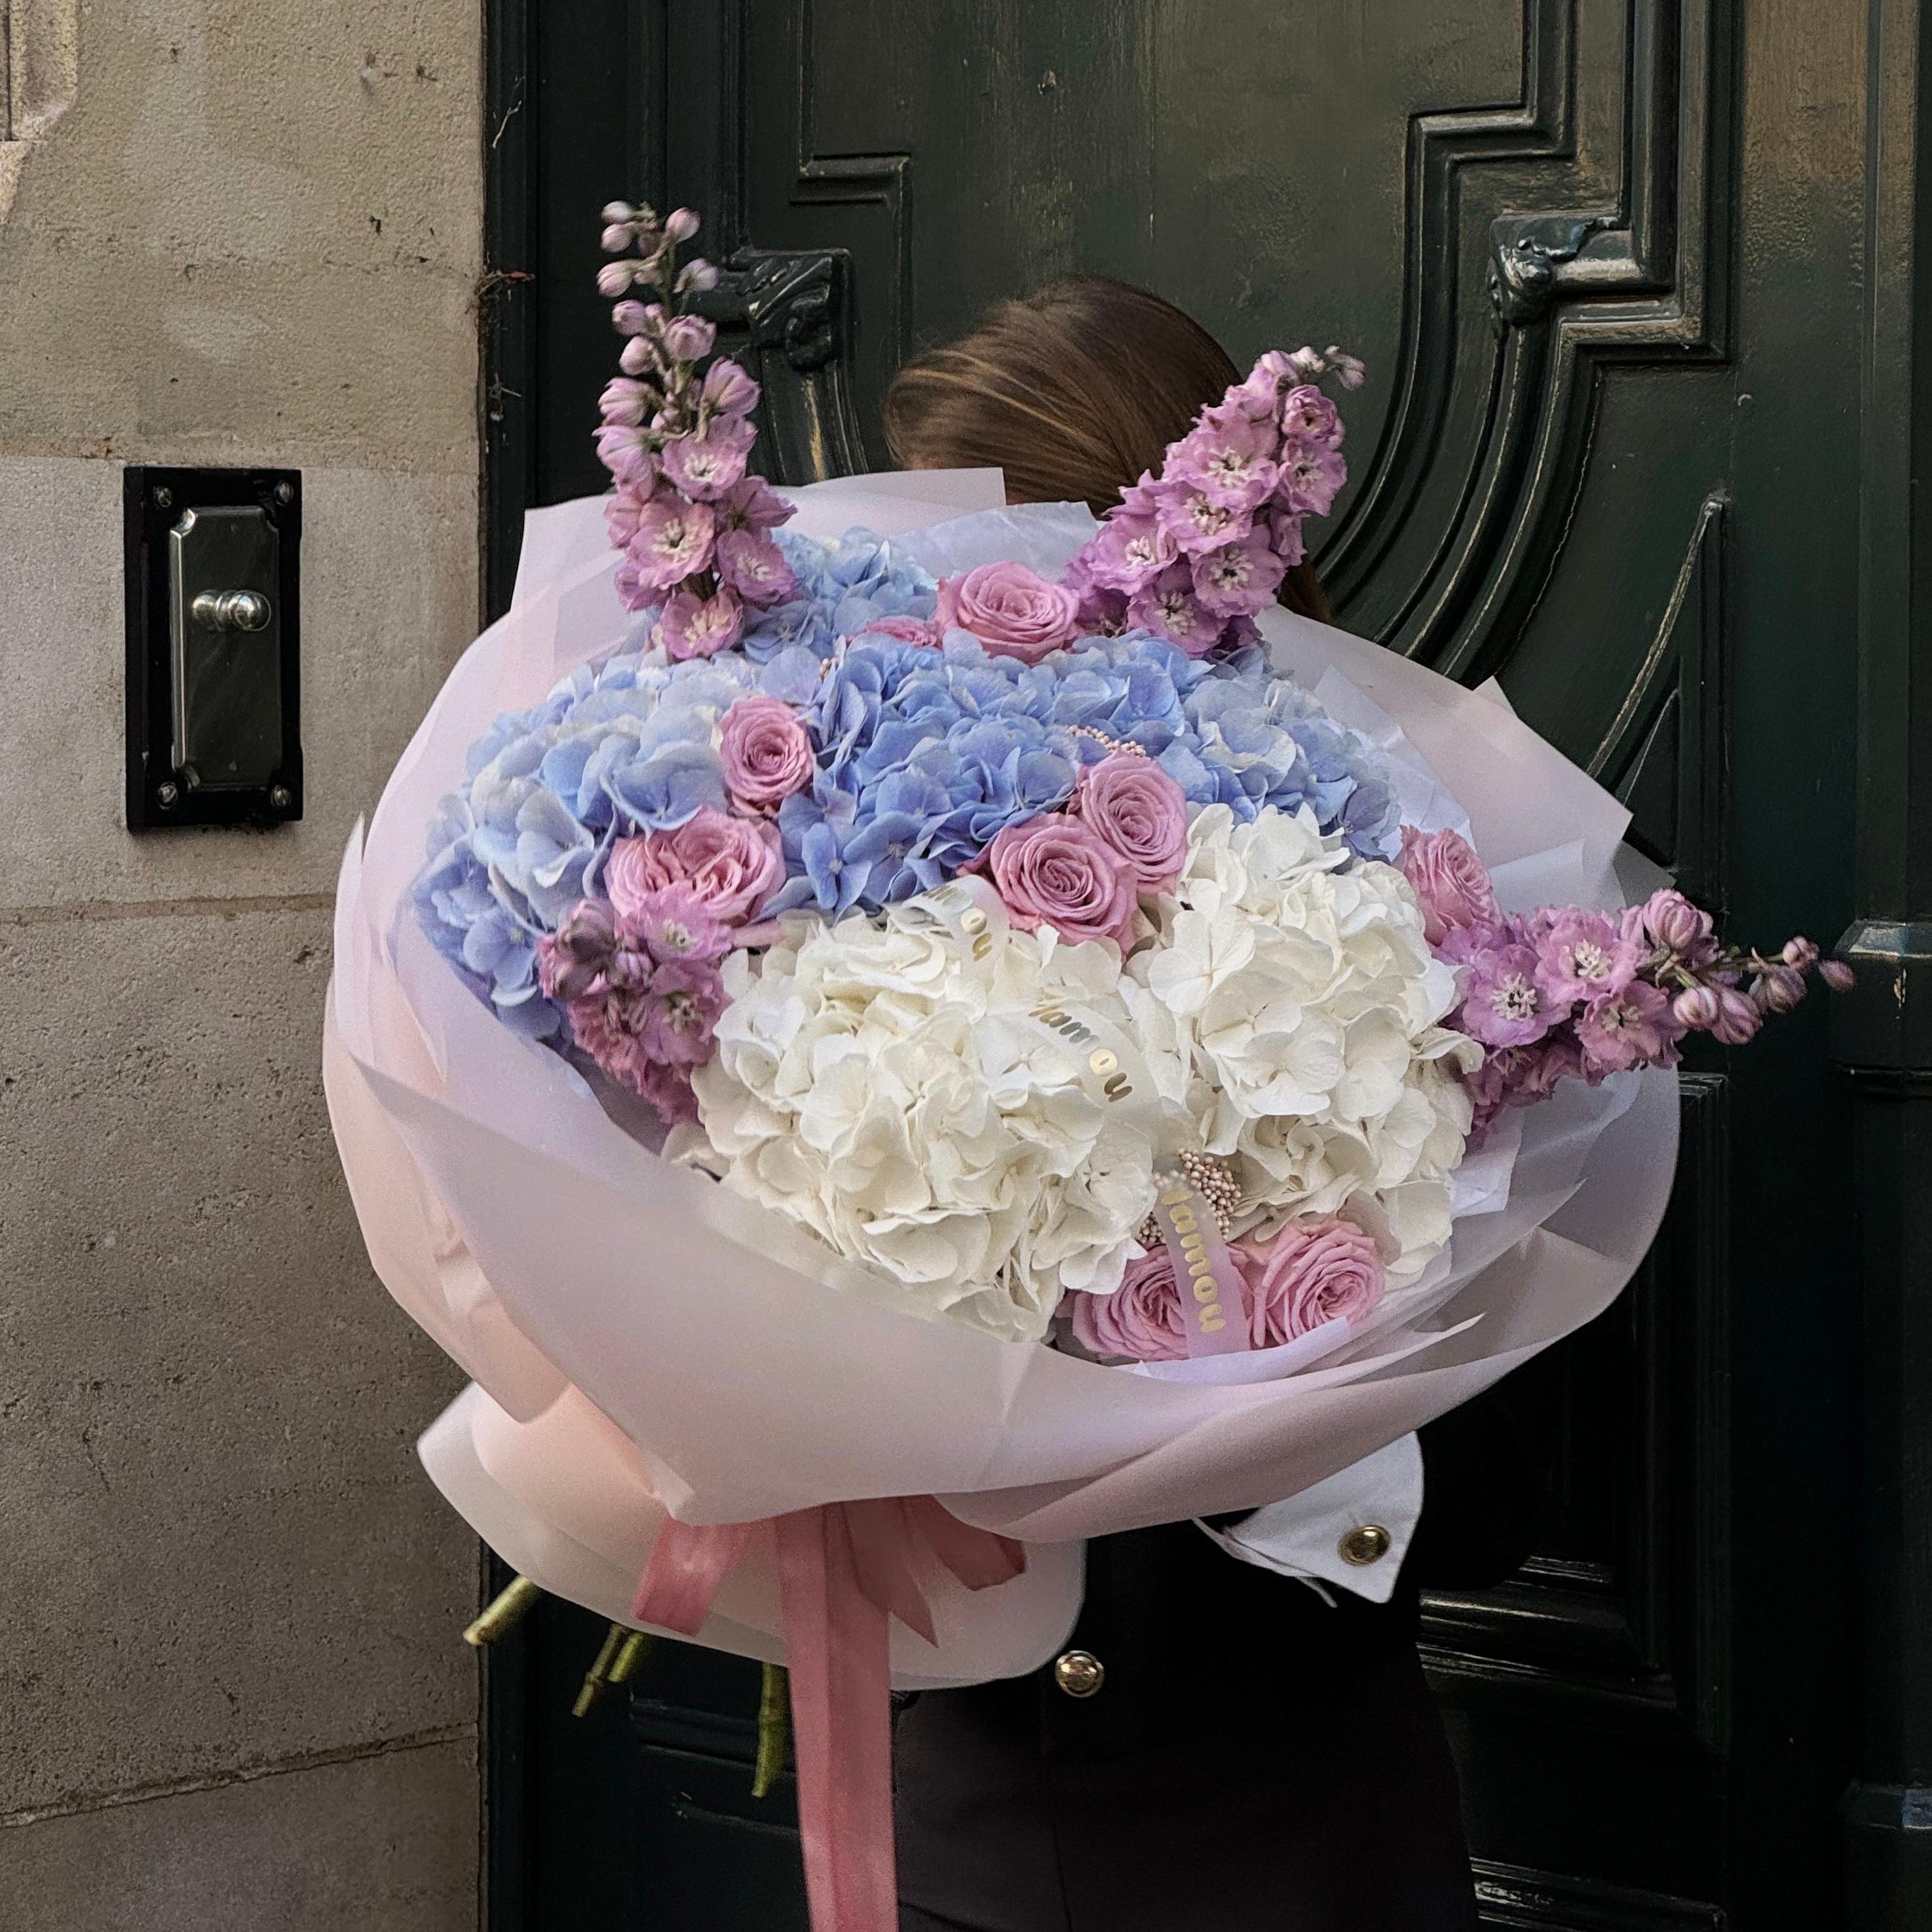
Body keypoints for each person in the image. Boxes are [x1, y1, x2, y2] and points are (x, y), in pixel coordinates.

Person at [882, 275, 1564, 1932]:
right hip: (959, 1851)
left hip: (1294, 1855)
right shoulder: (880, 885)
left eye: (1011, 580)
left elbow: (1504, 1488)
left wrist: (1246, 1409)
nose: (955, 625)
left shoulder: (1420, 889)